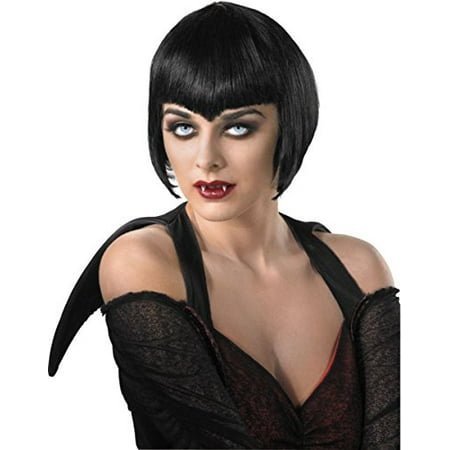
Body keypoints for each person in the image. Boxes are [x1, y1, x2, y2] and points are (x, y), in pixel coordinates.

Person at [48, 2, 400, 448]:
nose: (206, 159)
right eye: (183, 127)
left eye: (238, 128)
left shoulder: (358, 269)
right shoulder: (142, 263)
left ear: (290, 124)